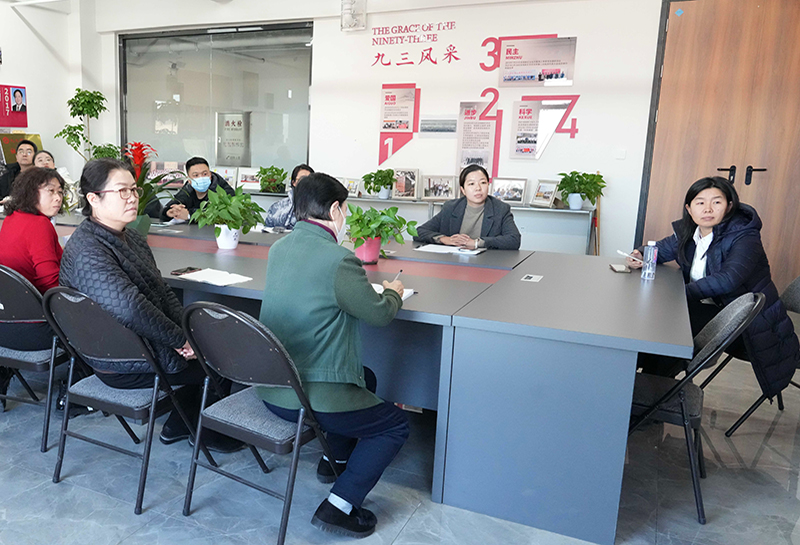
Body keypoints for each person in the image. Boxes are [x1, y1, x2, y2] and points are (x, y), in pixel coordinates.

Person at [258, 172, 409, 538]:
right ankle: (339, 507)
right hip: (309, 398)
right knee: (395, 425)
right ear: (336, 209)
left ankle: (334, 460)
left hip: (273, 387)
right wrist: (394, 292)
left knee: (366, 377)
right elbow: (379, 314)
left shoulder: (279, 248)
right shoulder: (340, 259)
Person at [59, 158, 242, 452]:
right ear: (93, 198)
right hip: (120, 359)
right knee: (222, 358)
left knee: (210, 337)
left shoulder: (131, 236)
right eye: (122, 191)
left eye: (134, 189)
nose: (132, 197)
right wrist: (181, 340)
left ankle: (179, 424)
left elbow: (162, 291)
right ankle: (207, 434)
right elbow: (130, 308)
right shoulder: (87, 250)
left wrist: (187, 333)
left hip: (141, 343)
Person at [627, 176, 799, 395]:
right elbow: (661, 249)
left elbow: (727, 280)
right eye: (700, 202)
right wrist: (640, 253)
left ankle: (651, 388)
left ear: (729, 206)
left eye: (716, 202)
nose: (707, 209)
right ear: (689, 209)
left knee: (674, 325)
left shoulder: (744, 236)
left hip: (751, 325)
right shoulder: (691, 232)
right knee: (666, 319)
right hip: (715, 310)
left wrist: (679, 294)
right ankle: (641, 378)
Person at [0, 167, 66, 408]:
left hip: (5, 328)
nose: (58, 198)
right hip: (38, 332)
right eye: (51, 191)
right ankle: (75, 390)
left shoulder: (11, 219)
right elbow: (50, 283)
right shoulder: (40, 225)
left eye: (60, 191)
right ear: (30, 192)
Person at [414, 164, 521, 250]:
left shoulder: (500, 209)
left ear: (488, 186)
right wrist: (445, 239)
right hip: (453, 262)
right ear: (463, 190)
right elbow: (419, 232)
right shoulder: (451, 207)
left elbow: (514, 240)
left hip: (486, 263)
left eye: (483, 183)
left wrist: (476, 243)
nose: (478, 188)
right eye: (471, 184)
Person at [160, 157, 234, 222]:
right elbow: (170, 206)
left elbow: (221, 214)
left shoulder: (223, 190)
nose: (201, 177)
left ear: (210, 174)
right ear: (189, 179)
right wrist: (170, 212)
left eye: (205, 174)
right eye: (196, 175)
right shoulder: (188, 188)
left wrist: (189, 215)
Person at [262, 163, 314, 229]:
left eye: (309, 180)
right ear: (293, 182)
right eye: (302, 179)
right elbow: (267, 229)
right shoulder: (277, 207)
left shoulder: (318, 208)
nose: (305, 183)